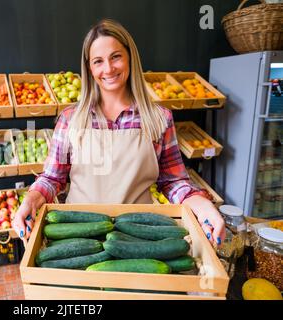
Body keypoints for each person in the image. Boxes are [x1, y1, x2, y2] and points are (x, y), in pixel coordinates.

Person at [12, 19, 226, 247]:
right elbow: (53, 178)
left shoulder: (158, 118)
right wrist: (30, 202)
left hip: (140, 236)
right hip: (78, 237)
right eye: (98, 61)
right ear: (89, 68)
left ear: (130, 58)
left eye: (116, 57)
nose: (108, 68)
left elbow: (173, 181)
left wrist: (203, 206)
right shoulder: (70, 119)